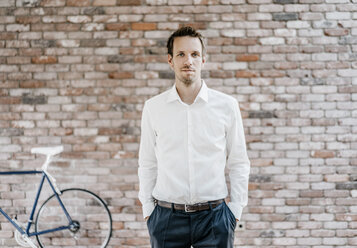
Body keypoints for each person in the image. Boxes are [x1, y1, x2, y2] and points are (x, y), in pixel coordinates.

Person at [138, 26, 250, 248]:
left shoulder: (227, 106)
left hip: (215, 219)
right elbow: (147, 163)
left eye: (194, 54)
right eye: (181, 54)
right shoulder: (153, 108)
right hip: (166, 218)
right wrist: (148, 211)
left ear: (203, 60)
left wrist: (236, 210)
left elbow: (238, 161)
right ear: (170, 61)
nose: (188, 60)